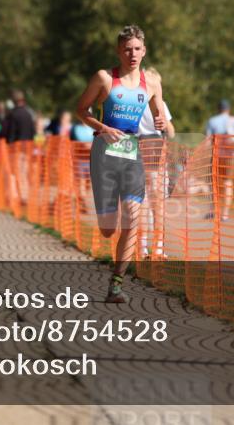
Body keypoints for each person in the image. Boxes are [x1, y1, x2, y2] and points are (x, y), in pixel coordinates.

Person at [75, 25, 166, 304]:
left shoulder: (151, 82)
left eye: (137, 48)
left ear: (144, 50)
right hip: (104, 153)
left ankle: (116, 284)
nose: (132, 54)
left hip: (131, 154)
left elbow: (158, 112)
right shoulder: (104, 78)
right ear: (119, 51)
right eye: (127, 49)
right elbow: (81, 110)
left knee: (133, 218)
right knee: (107, 228)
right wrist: (102, 127)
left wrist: (160, 121)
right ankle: (109, 234)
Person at [138, 67, 174, 259]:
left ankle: (142, 247)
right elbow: (171, 130)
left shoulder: (132, 102)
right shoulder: (160, 103)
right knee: (157, 202)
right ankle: (158, 247)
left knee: (141, 199)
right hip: (155, 147)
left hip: (136, 145)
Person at [205, 99, 234, 221]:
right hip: (231, 156)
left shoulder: (212, 121)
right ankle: (225, 214)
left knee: (214, 184)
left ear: (219, 108)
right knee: (228, 183)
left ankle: (213, 210)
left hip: (217, 155)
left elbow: (207, 141)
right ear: (228, 109)